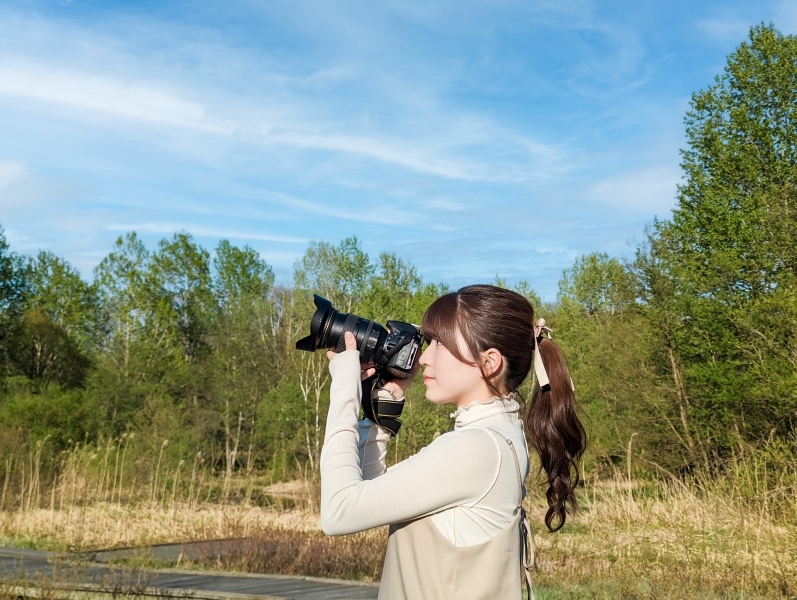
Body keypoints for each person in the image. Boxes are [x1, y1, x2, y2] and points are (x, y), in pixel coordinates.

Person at [320, 284, 586, 599]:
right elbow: (368, 496)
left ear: (489, 362)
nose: (424, 358)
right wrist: (385, 405)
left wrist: (345, 388)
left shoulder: (477, 448)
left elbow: (338, 512)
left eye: (441, 344)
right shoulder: (500, 437)